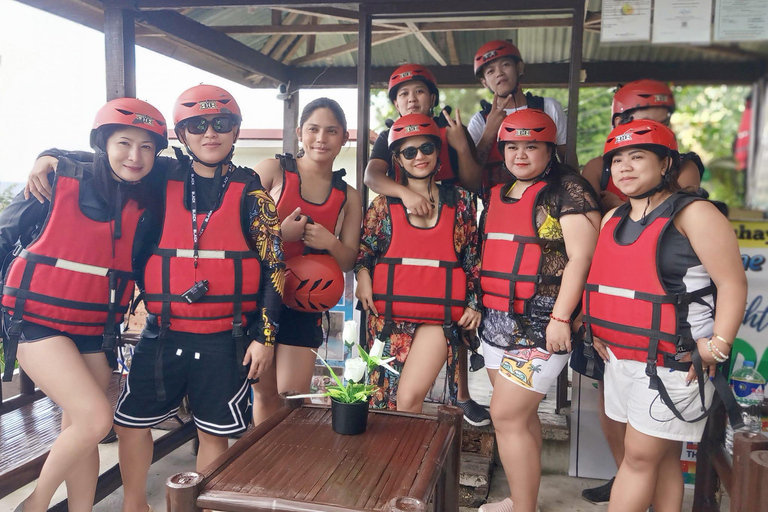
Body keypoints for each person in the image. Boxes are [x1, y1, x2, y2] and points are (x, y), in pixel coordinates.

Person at [26, 85, 284, 512]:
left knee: (212, 432)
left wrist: (266, 336)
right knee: (129, 425)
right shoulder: (158, 177)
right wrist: (49, 155)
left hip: (225, 334)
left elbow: (275, 267)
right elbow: (110, 158)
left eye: (221, 124)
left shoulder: (252, 194)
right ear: (182, 134)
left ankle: (194, 506)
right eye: (196, 125)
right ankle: (134, 505)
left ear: (235, 131)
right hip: (163, 330)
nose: (210, 133)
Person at [2, 98, 167, 512]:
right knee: (95, 419)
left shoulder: (148, 197)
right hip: (34, 320)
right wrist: (50, 155)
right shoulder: (56, 180)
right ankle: (35, 505)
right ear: (102, 144)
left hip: (94, 325)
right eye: (124, 143)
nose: (135, 156)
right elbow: (5, 235)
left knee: (80, 426)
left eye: (147, 147)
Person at [583, 119, 747, 512]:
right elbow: (608, 282)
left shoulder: (696, 214)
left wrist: (719, 345)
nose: (624, 167)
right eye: (617, 159)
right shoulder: (613, 218)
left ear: (666, 165)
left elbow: (733, 283)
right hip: (623, 358)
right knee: (662, 460)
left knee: (637, 461)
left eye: (637, 157)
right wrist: (600, 328)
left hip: (675, 362)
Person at [573, 79, 705, 505]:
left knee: (645, 452)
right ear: (618, 120)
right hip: (617, 329)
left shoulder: (681, 175)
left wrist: (714, 343)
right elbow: (595, 229)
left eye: (658, 122)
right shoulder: (603, 174)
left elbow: (699, 258)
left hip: (667, 334)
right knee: (640, 440)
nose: (647, 128)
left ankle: (630, 473)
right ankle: (627, 473)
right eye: (636, 122)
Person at [478, 109, 600, 512]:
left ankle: (523, 508)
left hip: (543, 324)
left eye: (532, 146)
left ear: (550, 148)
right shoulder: (499, 191)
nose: (521, 155)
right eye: (513, 146)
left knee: (506, 415)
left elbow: (583, 258)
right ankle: (521, 501)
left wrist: (563, 316)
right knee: (521, 418)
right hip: (497, 321)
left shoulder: (568, 190)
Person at [365, 63, 489, 426]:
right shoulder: (384, 193)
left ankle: (461, 397)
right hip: (393, 304)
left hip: (442, 281)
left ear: (432, 97)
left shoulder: (451, 132)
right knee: (382, 402)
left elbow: (472, 255)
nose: (418, 155)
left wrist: (458, 144)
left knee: (409, 398)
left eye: (418, 91)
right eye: (403, 93)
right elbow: (372, 179)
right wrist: (404, 193)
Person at [250, 97, 362, 426]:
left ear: (344, 138)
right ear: (300, 132)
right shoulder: (272, 171)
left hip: (305, 301)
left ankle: (289, 469)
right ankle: (266, 465)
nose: (321, 138)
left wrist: (329, 241)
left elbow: (349, 259)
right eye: (313, 129)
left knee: (291, 398)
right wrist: (280, 235)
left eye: (332, 131)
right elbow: (234, 231)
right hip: (259, 298)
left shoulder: (348, 196)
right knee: (265, 393)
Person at [581, 79, 703, 214]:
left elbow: (677, 217)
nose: (658, 130)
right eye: (647, 122)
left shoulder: (683, 166)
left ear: (665, 165)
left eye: (664, 123)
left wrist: (619, 207)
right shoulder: (597, 168)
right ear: (619, 122)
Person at [468, 40, 569, 194]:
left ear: (519, 67)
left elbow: (567, 160)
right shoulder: (479, 121)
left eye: (505, 65)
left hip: (547, 200)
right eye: (490, 71)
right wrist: (489, 132)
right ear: (484, 82)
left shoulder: (549, 107)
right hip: (498, 205)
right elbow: (471, 180)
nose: (499, 73)